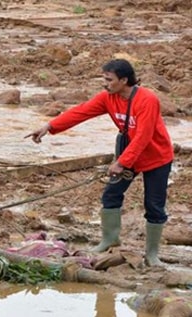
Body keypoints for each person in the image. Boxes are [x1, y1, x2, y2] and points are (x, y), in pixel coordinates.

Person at [25, 58, 173, 266]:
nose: (105, 83)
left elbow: (143, 137)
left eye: (109, 79)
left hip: (156, 156)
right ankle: (110, 240)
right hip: (128, 154)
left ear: (124, 80)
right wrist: (49, 126)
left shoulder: (147, 100)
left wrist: (121, 162)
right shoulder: (108, 98)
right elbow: (81, 111)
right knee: (111, 195)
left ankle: (152, 255)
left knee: (154, 205)